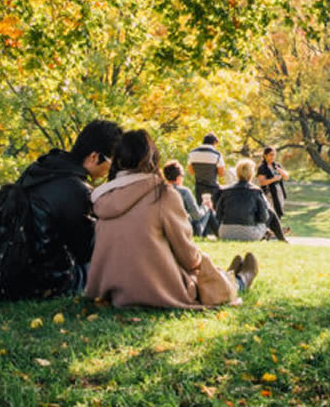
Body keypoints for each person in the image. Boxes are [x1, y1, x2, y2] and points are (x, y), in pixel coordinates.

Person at [86, 130, 256, 308]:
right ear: (152, 158)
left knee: (202, 271)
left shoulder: (103, 197)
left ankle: (226, 274)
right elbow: (189, 258)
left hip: (113, 291)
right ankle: (240, 279)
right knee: (206, 278)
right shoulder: (162, 194)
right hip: (157, 290)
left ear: (118, 160)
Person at [12, 118, 122, 295]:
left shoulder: (39, 169)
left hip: (14, 270)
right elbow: (87, 249)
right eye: (112, 163)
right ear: (94, 157)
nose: (111, 170)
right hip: (47, 280)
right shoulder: (77, 189)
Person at [215, 158, 287, 241]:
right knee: (270, 212)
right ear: (251, 174)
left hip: (225, 233)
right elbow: (264, 217)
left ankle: (267, 234)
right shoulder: (255, 191)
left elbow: (218, 215)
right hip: (248, 234)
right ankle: (282, 239)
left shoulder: (226, 190)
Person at [162, 160, 219, 238]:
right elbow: (197, 216)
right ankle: (218, 234)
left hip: (167, 229)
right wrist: (205, 206)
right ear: (178, 178)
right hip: (185, 229)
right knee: (207, 209)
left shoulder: (160, 191)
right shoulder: (184, 191)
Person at [186, 134, 226, 205]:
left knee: (201, 209)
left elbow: (191, 171)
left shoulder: (192, 153)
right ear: (214, 143)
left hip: (199, 187)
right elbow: (222, 173)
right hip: (213, 188)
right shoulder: (216, 155)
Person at [256, 146, 289, 219]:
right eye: (271, 155)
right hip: (269, 194)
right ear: (265, 155)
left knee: (278, 213)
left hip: (279, 193)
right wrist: (273, 179)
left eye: (274, 155)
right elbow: (262, 182)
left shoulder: (277, 165)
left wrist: (282, 172)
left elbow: (287, 177)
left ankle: (278, 228)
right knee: (271, 214)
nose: (273, 157)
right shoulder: (262, 167)